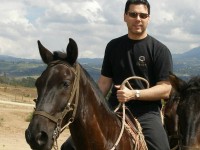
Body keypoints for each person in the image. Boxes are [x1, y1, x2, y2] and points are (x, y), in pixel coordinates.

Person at [97, 0, 173, 150]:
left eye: (143, 15)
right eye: (133, 14)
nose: (138, 19)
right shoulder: (113, 46)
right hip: (115, 108)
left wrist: (134, 94)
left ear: (148, 18)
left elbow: (165, 89)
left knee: (161, 147)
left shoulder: (159, 50)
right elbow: (104, 83)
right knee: (70, 145)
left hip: (147, 113)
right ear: (125, 16)